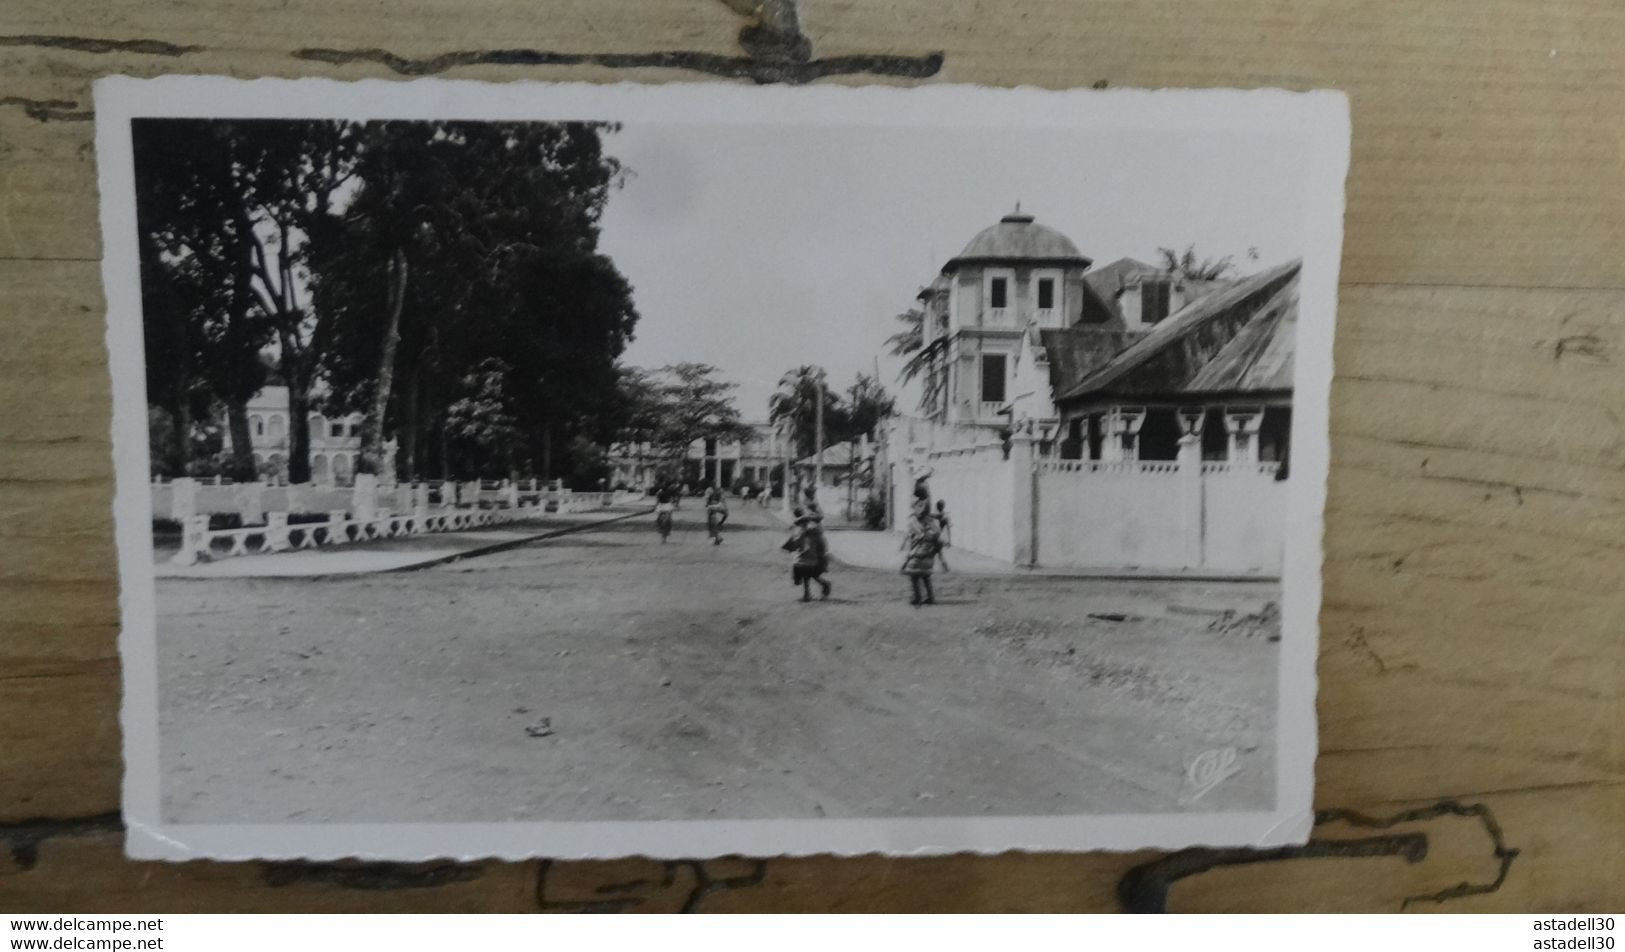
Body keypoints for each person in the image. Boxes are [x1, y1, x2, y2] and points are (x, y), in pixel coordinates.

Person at [783, 507, 832, 602]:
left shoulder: (814, 533)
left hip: (814, 559)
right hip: (804, 559)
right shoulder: (801, 533)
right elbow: (794, 544)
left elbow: (822, 547)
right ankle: (817, 588)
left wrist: (822, 557)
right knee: (806, 575)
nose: (803, 526)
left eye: (804, 523)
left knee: (808, 573)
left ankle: (809, 593)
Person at [901, 509, 942, 606]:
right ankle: (930, 597)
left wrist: (908, 557)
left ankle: (917, 597)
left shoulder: (917, 530)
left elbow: (913, 545)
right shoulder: (933, 530)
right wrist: (933, 552)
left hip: (918, 557)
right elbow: (939, 542)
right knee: (926, 577)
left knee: (914, 577)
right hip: (928, 557)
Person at [933, 498, 952, 572]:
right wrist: (949, 540)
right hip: (941, 537)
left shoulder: (939, 515)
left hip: (937, 537)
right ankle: (945, 568)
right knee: (938, 553)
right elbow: (948, 529)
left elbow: (931, 516)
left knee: (937, 553)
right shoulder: (945, 516)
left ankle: (945, 568)